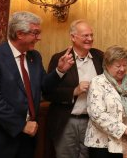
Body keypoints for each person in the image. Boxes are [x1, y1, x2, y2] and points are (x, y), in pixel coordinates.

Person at [0, 11, 74, 158]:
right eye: (35, 33)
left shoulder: (35, 56)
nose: (39, 38)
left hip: (27, 138)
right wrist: (21, 125)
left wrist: (59, 71)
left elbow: (44, 86)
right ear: (20, 34)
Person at [43, 19, 104, 158]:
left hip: (93, 122)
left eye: (91, 35)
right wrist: (74, 91)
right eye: (85, 36)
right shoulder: (60, 58)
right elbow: (48, 92)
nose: (90, 39)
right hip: (66, 121)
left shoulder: (99, 56)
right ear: (73, 37)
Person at [84, 45, 127, 158]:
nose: (122, 69)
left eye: (124, 65)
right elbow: (96, 114)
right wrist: (125, 129)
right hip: (102, 145)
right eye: (118, 66)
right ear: (107, 65)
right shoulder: (98, 82)